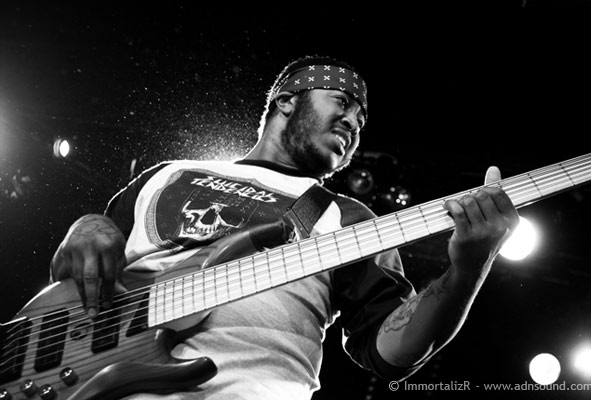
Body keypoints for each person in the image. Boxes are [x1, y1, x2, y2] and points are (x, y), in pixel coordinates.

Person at [49, 54, 520, 399]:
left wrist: (468, 271)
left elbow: (391, 350)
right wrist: (87, 226)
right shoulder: (170, 172)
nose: (353, 123)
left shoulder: (349, 218)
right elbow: (71, 279)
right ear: (287, 101)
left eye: (361, 119)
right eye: (342, 102)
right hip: (90, 383)